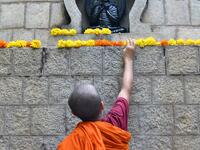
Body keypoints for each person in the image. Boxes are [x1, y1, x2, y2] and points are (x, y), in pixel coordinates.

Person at [57, 39, 135, 150]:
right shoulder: (115, 122)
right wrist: (129, 59)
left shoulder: (69, 144)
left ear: (73, 114)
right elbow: (126, 89)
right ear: (102, 105)